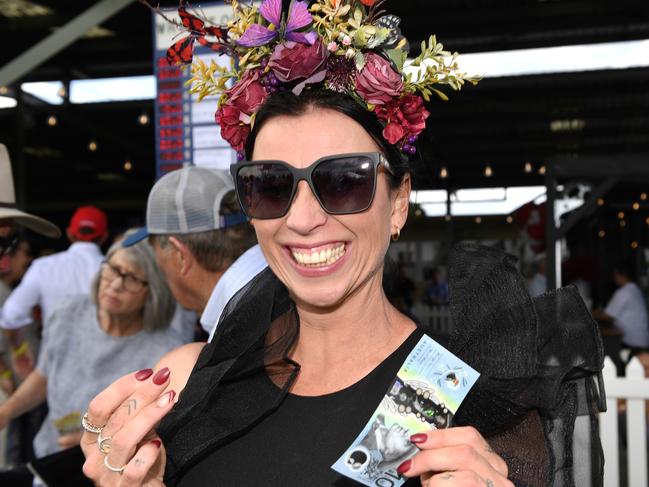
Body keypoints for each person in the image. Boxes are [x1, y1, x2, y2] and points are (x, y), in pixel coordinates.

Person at [79, 1, 604, 486]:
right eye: (270, 185)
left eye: (344, 180)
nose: (303, 219)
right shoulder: (191, 381)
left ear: (398, 202)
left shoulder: (452, 405)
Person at [0, 232, 186, 462]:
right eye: (114, 269)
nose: (116, 285)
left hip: (112, 466)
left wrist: (98, 438)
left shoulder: (167, 348)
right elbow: (45, 374)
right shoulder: (68, 311)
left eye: (133, 278)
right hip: (50, 454)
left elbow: (160, 425)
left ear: (154, 291)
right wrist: (6, 412)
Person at [122, 166, 267, 341]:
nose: (157, 266)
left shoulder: (237, 329)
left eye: (155, 251)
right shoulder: (280, 285)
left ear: (180, 256)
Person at [1, 206, 108, 379]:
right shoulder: (115, 269)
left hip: (55, 371)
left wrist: (19, 352)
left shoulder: (44, 267)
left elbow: (11, 316)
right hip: (106, 368)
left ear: (70, 234)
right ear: (104, 237)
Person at [593, 261, 649, 357]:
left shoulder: (624, 292)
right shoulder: (634, 289)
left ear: (621, 274)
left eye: (615, 275)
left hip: (633, 343)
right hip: (641, 340)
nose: (614, 278)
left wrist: (587, 313)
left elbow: (607, 316)